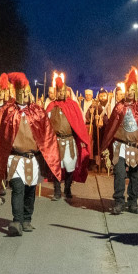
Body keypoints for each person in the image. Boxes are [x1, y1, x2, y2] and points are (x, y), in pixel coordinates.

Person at [0, 72, 59, 236]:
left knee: (30, 191)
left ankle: (27, 219)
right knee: (17, 189)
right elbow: (3, 137)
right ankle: (16, 220)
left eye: (26, 92)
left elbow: (47, 135)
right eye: (20, 92)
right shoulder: (9, 111)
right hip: (15, 158)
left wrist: (48, 156)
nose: (24, 95)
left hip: (33, 159)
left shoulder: (38, 111)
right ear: (16, 93)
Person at [100, 68, 138, 215]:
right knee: (119, 174)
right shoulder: (119, 107)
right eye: (128, 91)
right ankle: (119, 202)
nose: (129, 93)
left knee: (134, 176)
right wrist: (107, 145)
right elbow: (111, 127)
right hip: (119, 146)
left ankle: (132, 202)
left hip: (135, 147)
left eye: (132, 91)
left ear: (136, 91)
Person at [45, 74, 91, 202]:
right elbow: (46, 125)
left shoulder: (73, 106)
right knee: (56, 166)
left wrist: (81, 140)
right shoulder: (51, 106)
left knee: (70, 166)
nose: (61, 93)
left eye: (63, 91)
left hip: (70, 141)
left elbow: (79, 125)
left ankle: (68, 187)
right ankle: (57, 190)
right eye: (59, 91)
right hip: (56, 142)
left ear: (67, 92)